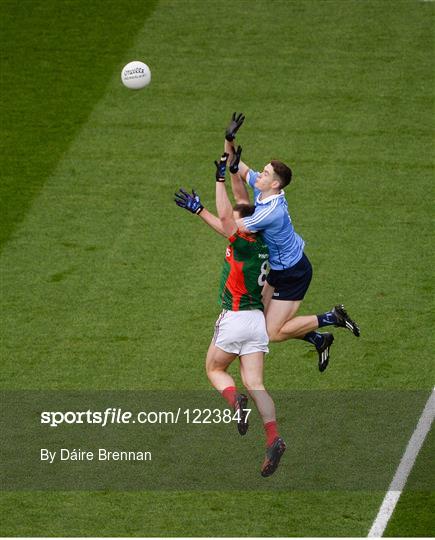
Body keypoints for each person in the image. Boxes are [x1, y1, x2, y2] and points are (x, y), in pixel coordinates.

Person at [174, 154, 286, 477]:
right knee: (257, 383)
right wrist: (231, 160)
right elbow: (240, 203)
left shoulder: (239, 240)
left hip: (234, 315)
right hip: (256, 321)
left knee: (213, 367)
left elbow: (225, 217)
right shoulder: (267, 243)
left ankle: (235, 401)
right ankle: (273, 436)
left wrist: (217, 180)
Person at [224, 113, 360, 371]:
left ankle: (332, 317)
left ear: (274, 183)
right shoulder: (266, 190)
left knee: (271, 332)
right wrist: (229, 139)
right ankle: (318, 339)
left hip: (293, 273)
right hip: (281, 268)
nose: (258, 175)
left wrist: (201, 211)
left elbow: (232, 228)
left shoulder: (270, 211)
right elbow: (236, 165)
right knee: (260, 322)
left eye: (264, 173)